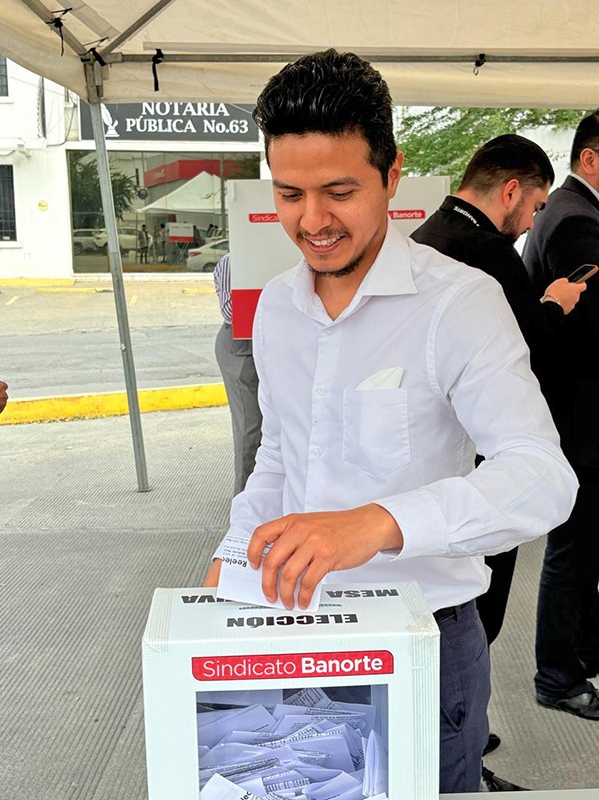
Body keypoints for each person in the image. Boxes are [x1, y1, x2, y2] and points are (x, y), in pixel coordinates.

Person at [204, 49, 578, 793]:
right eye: (289, 194)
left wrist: (378, 523)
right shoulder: (276, 307)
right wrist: (234, 555)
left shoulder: (459, 304)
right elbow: (280, 454)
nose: (313, 221)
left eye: (339, 192)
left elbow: (542, 478)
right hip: (295, 627)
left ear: (393, 174)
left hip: (425, 639)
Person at [411, 134, 586, 782]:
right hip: (482, 462)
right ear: (511, 190)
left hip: (436, 460)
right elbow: (523, 351)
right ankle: (463, 750)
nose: (534, 221)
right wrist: (555, 305)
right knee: (472, 618)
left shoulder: (426, 237)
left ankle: (461, 735)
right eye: (535, 206)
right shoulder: (486, 253)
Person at [523, 109, 599, 721]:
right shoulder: (576, 220)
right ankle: (558, 676)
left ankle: (581, 653)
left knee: (584, 542)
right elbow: (590, 324)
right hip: (580, 412)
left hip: (577, 408)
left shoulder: (572, 211)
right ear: (590, 158)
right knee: (573, 545)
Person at [213, 252, 262, 495]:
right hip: (241, 347)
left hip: (274, 344)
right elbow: (231, 311)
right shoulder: (231, 262)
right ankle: (245, 500)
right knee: (250, 426)